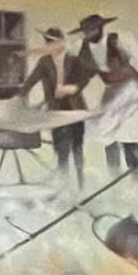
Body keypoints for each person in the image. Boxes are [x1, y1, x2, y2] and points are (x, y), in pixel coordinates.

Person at [71, 13, 138, 178]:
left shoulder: (117, 40)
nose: (88, 34)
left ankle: (135, 178)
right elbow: (84, 76)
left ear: (100, 28)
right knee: (105, 133)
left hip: (131, 88)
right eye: (86, 31)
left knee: (128, 135)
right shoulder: (85, 51)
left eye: (91, 30)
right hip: (112, 90)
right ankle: (114, 177)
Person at [21, 24, 88, 186]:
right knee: (61, 150)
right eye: (48, 42)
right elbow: (31, 81)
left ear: (61, 42)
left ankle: (81, 184)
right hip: (56, 111)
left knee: (77, 148)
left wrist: (69, 89)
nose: (50, 46)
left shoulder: (73, 59)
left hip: (75, 110)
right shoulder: (45, 62)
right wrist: (21, 96)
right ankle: (64, 185)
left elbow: (83, 80)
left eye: (53, 42)